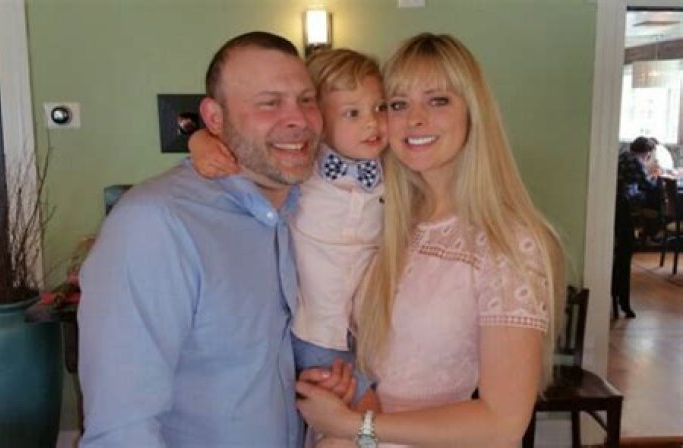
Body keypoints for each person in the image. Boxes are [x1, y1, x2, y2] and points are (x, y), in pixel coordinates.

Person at [78, 31, 353, 448]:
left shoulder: (302, 210)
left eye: (306, 99)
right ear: (214, 118)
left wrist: (307, 381)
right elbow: (122, 428)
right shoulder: (156, 223)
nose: (298, 118)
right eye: (269, 102)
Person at [294, 33, 566, 448]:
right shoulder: (381, 214)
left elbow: (503, 423)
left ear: (473, 112)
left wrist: (357, 427)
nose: (415, 119)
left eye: (438, 100)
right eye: (397, 104)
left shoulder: (509, 242)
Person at [188, 47, 387, 445]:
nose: (372, 123)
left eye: (379, 108)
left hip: (362, 331)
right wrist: (200, 141)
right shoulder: (303, 169)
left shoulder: (388, 168)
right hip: (313, 331)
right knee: (362, 420)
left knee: (340, 425)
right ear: (319, 123)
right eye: (352, 113)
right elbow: (239, 151)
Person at [611, 136, 659, 319]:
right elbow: (648, 185)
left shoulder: (623, 155)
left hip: (617, 206)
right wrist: (655, 176)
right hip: (624, 209)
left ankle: (649, 234)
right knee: (625, 252)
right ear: (647, 152)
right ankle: (651, 234)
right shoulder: (636, 162)